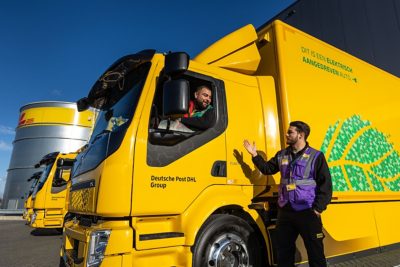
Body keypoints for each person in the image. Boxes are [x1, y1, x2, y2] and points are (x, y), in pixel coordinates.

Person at [243, 121, 332, 267]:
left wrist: (317, 209)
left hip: (307, 212)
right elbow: (267, 169)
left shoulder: (316, 156)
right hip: (285, 212)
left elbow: (326, 185)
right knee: (283, 254)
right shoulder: (282, 155)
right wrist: (254, 155)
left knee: (316, 254)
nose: (286, 134)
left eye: (290, 132)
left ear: (300, 135)